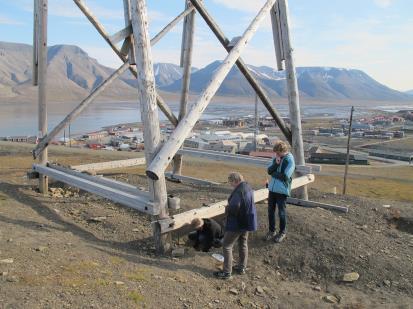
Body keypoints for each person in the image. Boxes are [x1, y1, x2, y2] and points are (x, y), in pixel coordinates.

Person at [214, 172, 257, 280]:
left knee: (226, 245)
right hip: (246, 221)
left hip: (237, 222)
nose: (231, 185)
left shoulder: (239, 191)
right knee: (243, 243)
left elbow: (234, 206)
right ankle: (242, 267)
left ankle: (227, 272)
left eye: (231, 182)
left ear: (235, 181)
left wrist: (227, 209)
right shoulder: (248, 187)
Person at [264, 140, 295, 243]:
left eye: (277, 152)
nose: (276, 154)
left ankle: (282, 232)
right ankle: (272, 231)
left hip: (282, 191)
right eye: (275, 153)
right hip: (272, 189)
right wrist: (276, 165)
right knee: (270, 211)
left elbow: (286, 176)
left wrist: (274, 174)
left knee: (281, 212)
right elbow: (269, 170)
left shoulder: (289, 160)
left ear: (283, 151)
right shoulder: (277, 157)